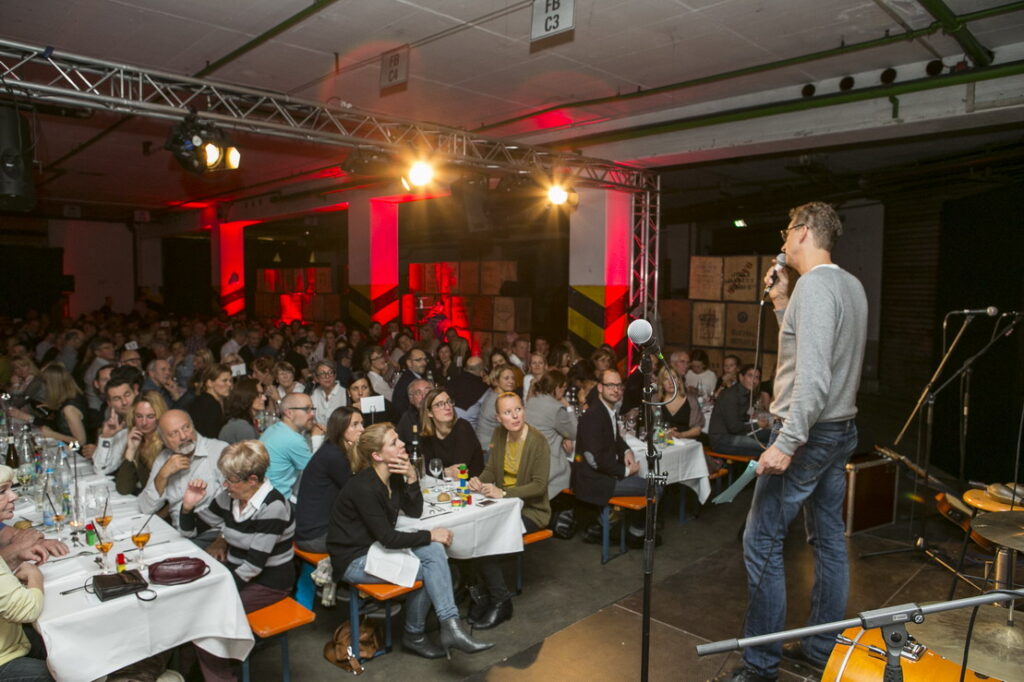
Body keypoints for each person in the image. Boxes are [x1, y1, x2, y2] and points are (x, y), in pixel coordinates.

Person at [714, 202, 867, 682]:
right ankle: (822, 647)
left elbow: (814, 377)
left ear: (802, 232)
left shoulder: (817, 287)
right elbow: (808, 350)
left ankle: (761, 665)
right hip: (840, 429)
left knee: (761, 540)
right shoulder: (849, 285)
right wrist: (782, 302)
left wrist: (788, 441)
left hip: (808, 434)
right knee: (828, 539)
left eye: (785, 231)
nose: (782, 241)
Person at [326, 423, 492, 659]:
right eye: (394, 442)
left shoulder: (392, 476)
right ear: (377, 455)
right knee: (430, 569)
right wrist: (430, 534)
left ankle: (451, 626)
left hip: (375, 547)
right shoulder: (363, 486)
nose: (402, 444)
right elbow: (389, 537)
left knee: (434, 551)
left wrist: (412, 478)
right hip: (353, 558)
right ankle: (416, 635)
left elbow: (414, 511)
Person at [180, 440, 294, 682]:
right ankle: (197, 671)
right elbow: (192, 532)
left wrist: (221, 590)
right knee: (192, 603)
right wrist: (188, 506)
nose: (225, 484)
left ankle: (220, 677)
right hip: (236, 574)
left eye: (230, 479)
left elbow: (254, 565)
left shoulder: (273, 507)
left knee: (208, 617)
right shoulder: (229, 497)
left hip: (269, 583)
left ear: (252, 480)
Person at [466, 393, 550, 629]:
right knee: (472, 535)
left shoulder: (538, 441)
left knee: (486, 544)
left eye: (518, 410)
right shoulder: (498, 434)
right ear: (498, 417)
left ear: (524, 410)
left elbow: (539, 486)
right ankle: (482, 596)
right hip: (503, 507)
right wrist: (478, 481)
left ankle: (501, 602)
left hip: (532, 510)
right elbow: (492, 470)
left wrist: (503, 493)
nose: (514, 416)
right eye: (507, 412)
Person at [571, 369, 646, 543]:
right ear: (600, 388)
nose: (616, 390)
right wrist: (625, 471)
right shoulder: (594, 415)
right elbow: (594, 460)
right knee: (653, 488)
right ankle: (634, 534)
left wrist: (626, 451)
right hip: (593, 481)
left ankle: (614, 526)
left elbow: (615, 437)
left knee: (646, 483)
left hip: (602, 475)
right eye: (610, 385)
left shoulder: (605, 408)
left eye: (618, 386)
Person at [0, 465, 51, 682]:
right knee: (68, 674)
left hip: (12, 640)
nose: (14, 496)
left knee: (64, 646)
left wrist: (12, 562)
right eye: (2, 491)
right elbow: (26, 609)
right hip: (4, 657)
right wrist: (34, 576)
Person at [138, 410, 227, 531]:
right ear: (163, 440)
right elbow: (145, 508)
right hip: (177, 531)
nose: (183, 436)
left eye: (186, 428)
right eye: (174, 433)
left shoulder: (219, 450)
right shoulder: (163, 459)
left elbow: (236, 502)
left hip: (211, 530)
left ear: (193, 426)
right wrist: (163, 475)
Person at [294, 407, 364, 553]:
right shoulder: (334, 455)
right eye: (355, 425)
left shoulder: (333, 448)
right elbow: (359, 492)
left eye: (362, 424)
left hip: (314, 531)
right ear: (340, 429)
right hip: (315, 537)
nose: (362, 429)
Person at [259, 392, 325, 498]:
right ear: (289, 413)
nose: (312, 414)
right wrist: (316, 438)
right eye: (307, 409)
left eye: (313, 409)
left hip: (265, 494)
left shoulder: (273, 429)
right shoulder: (292, 439)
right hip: (278, 499)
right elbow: (318, 472)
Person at [524, 370, 577, 501]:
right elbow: (575, 432)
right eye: (564, 388)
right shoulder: (556, 408)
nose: (564, 391)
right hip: (550, 467)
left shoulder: (531, 402)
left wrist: (563, 436)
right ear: (557, 388)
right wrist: (569, 407)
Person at [8, 363, 87, 446]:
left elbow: (81, 442)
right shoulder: (67, 399)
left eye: (44, 382)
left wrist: (52, 435)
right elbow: (52, 426)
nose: (42, 387)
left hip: (74, 451)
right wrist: (26, 417)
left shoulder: (69, 409)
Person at [418, 388, 483, 478]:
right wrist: (446, 472)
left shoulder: (463, 427)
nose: (448, 407)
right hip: (443, 484)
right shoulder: (427, 435)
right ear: (429, 413)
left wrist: (442, 472)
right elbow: (423, 469)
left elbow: (459, 471)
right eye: (440, 404)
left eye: (449, 402)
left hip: (470, 484)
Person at [708, 365, 771, 458]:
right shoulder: (730, 395)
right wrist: (757, 424)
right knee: (768, 448)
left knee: (772, 435)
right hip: (722, 440)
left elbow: (745, 418)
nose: (754, 380)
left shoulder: (749, 394)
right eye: (750, 376)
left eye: (757, 377)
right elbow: (734, 427)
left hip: (739, 434)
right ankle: (753, 467)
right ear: (741, 377)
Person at [114, 391, 169, 495]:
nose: (144, 423)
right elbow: (124, 489)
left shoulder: (166, 445)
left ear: (160, 417)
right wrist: (131, 450)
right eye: (139, 416)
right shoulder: (137, 440)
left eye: (150, 416)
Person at [84, 374, 139, 474]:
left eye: (127, 395)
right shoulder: (121, 429)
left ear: (135, 392)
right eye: (117, 399)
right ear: (109, 403)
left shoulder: (150, 421)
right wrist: (106, 437)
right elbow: (101, 470)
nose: (124, 402)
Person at [474, 365, 517, 449]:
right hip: (489, 449)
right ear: (496, 381)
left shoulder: (494, 395)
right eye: (506, 378)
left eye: (513, 378)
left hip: (486, 445)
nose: (511, 381)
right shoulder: (499, 400)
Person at [656, 366, 703, 440]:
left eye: (673, 378)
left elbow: (697, 430)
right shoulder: (655, 401)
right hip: (662, 441)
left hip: (686, 442)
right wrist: (664, 432)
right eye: (665, 379)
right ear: (661, 383)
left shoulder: (691, 400)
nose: (670, 382)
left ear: (679, 380)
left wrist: (680, 435)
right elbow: (650, 427)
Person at [187, 363, 232, 439]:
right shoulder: (211, 405)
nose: (229, 384)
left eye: (230, 380)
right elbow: (212, 437)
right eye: (224, 381)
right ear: (209, 383)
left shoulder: (201, 400)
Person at [218, 378, 265, 444]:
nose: (264, 398)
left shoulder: (240, 422)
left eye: (262, 394)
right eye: (258, 395)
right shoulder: (243, 427)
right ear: (247, 397)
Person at [446, 356, 488, 427]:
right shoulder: (484, 389)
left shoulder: (452, 381)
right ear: (481, 372)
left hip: (448, 424)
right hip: (470, 428)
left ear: (465, 368)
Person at [391, 348, 429, 416]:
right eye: (418, 360)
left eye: (425, 359)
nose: (424, 363)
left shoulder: (411, 377)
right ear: (409, 363)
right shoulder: (410, 381)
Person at [396, 378, 433, 446]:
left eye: (427, 392)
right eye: (418, 393)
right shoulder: (407, 419)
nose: (424, 396)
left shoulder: (441, 413)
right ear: (411, 399)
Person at [309, 360, 347, 426]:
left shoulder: (345, 393)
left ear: (335, 375)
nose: (327, 376)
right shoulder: (314, 394)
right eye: (322, 373)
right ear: (316, 378)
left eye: (330, 372)